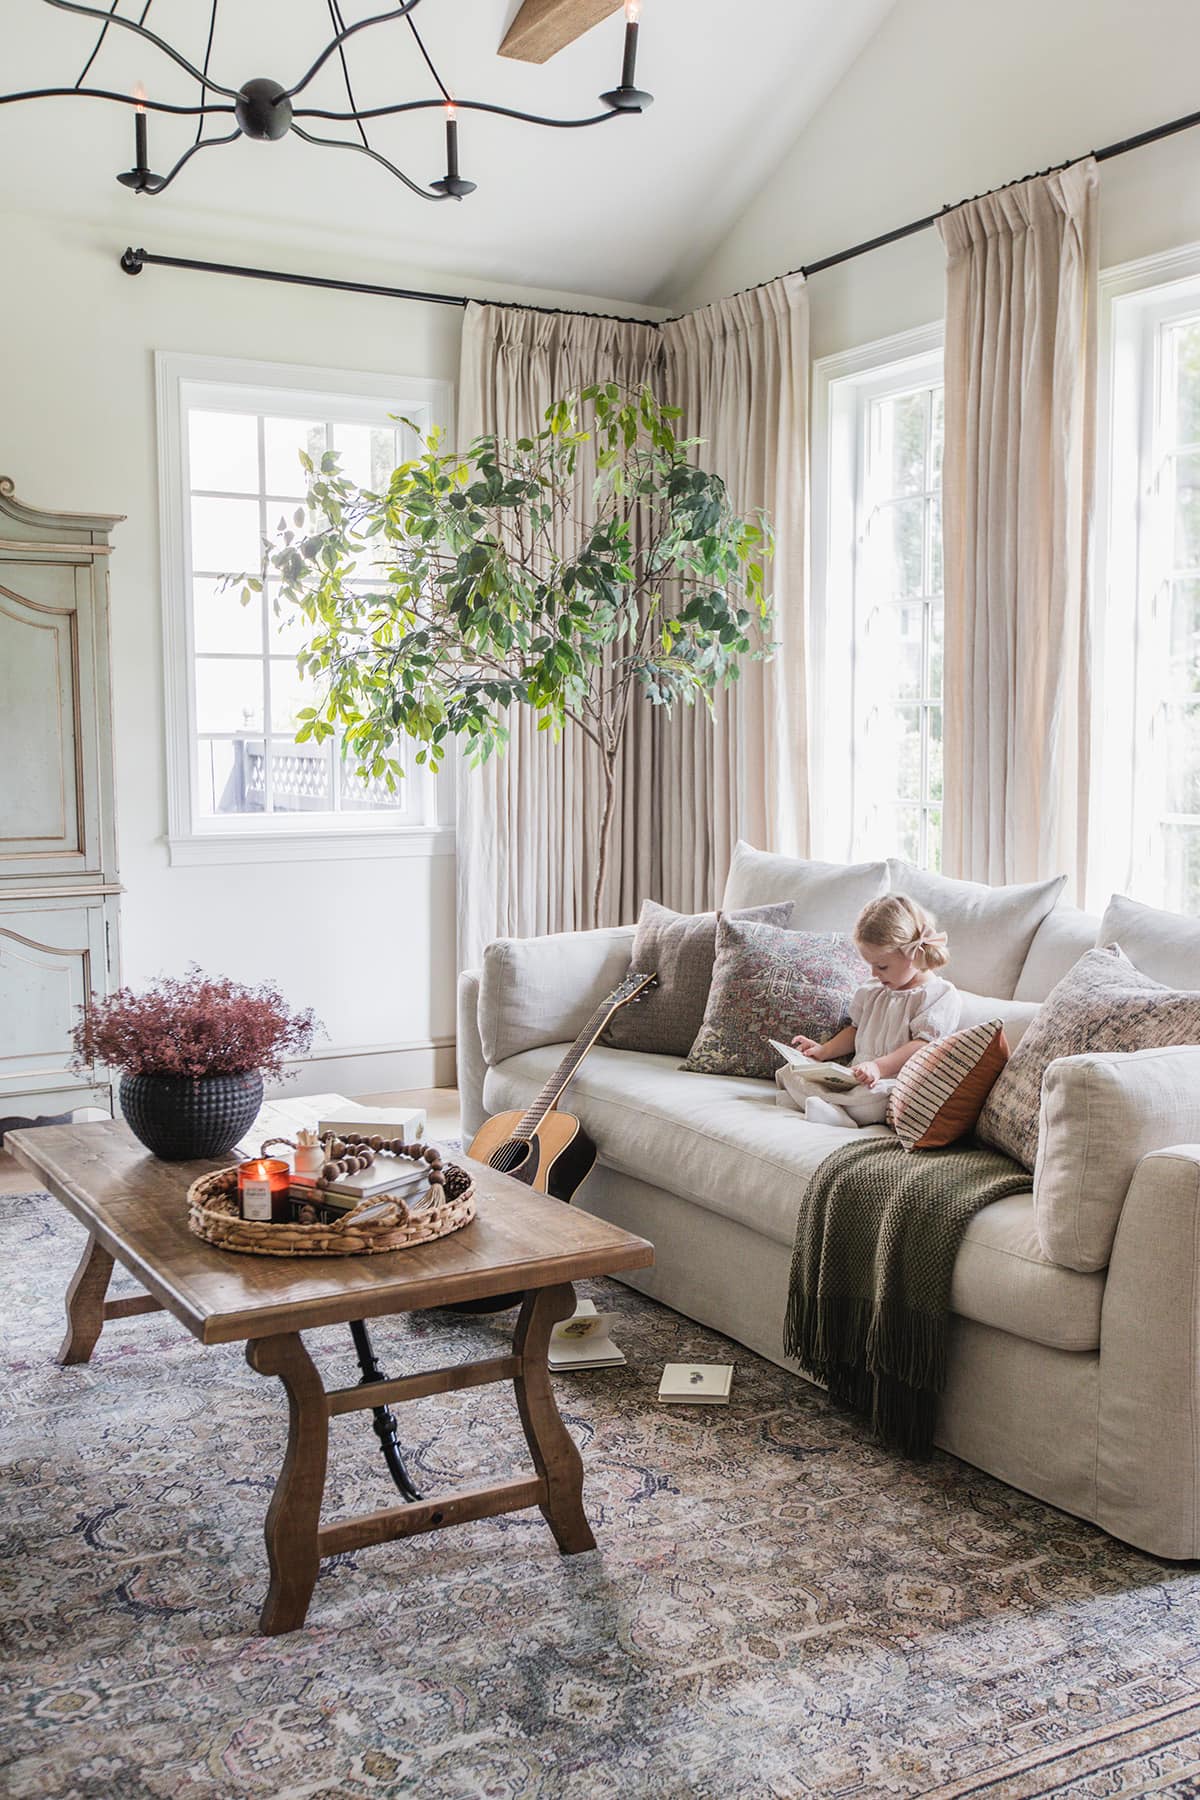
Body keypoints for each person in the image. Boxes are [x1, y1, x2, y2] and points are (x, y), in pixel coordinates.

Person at [780, 893, 961, 1128]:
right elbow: (855, 1030)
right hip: (856, 1075)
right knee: (790, 1072)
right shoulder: (874, 990)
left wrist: (878, 1067)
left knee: (873, 1100)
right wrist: (823, 1052)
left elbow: (922, 1046)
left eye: (882, 966)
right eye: (871, 966)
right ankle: (826, 1107)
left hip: (890, 1081)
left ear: (913, 955)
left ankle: (831, 1112)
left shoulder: (939, 995)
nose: (874, 974)